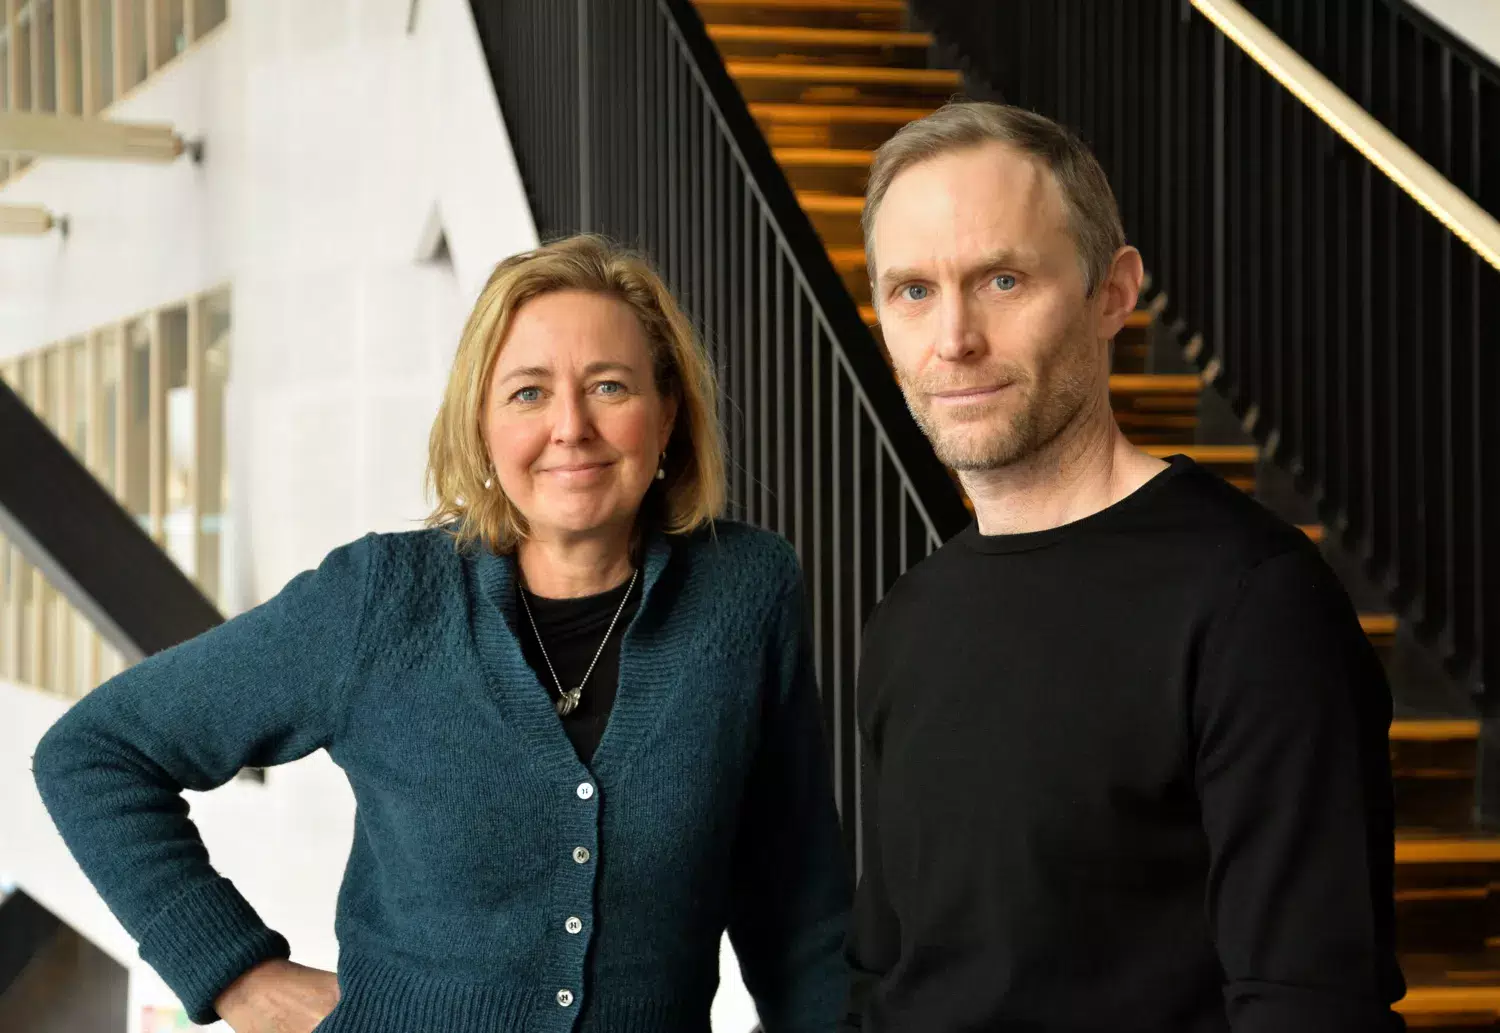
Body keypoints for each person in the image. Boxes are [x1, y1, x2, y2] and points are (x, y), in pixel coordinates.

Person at [33, 235, 850, 1033]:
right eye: (528, 393)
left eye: (608, 386)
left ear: (667, 413)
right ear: (482, 427)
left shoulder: (746, 594)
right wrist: (239, 975)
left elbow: (798, 909)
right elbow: (95, 754)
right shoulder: (383, 600)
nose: (571, 426)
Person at [842, 101, 1404, 1032]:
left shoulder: (1252, 603)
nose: (954, 339)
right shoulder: (908, 616)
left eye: (1003, 279)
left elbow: (1310, 1009)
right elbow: (881, 974)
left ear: (1113, 291)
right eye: (912, 291)